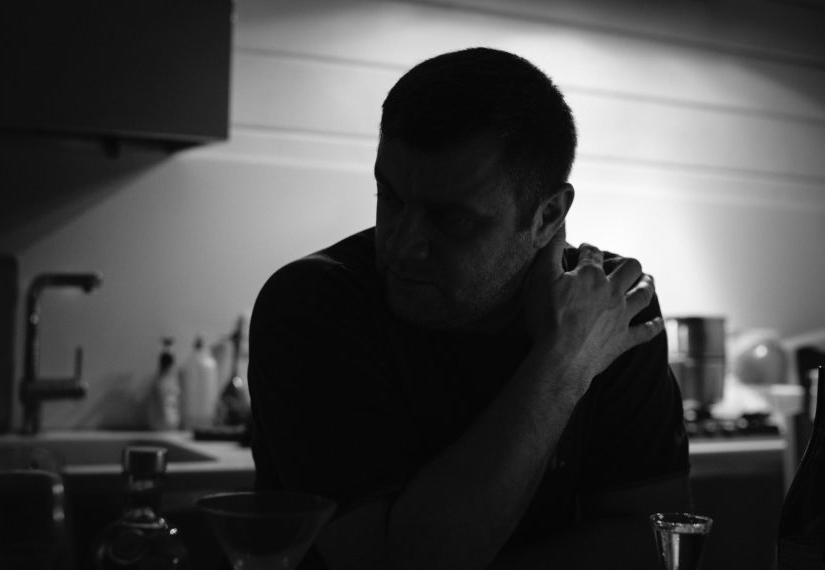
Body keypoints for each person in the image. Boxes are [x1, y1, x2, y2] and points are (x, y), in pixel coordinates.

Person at [248, 47, 691, 570]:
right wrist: (563, 360)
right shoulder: (314, 304)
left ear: (548, 216)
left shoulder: (609, 303)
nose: (401, 244)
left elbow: (653, 545)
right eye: (389, 197)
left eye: (451, 219)